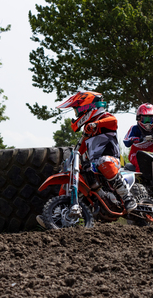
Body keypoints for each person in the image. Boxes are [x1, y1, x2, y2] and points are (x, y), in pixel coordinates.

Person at [37, 91, 137, 228]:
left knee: (104, 161)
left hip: (111, 160)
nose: (76, 114)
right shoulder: (87, 130)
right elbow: (79, 149)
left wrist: (96, 124)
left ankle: (127, 198)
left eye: (77, 110)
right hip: (93, 166)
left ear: (87, 107)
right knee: (70, 178)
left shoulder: (104, 118)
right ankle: (57, 216)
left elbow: (113, 121)